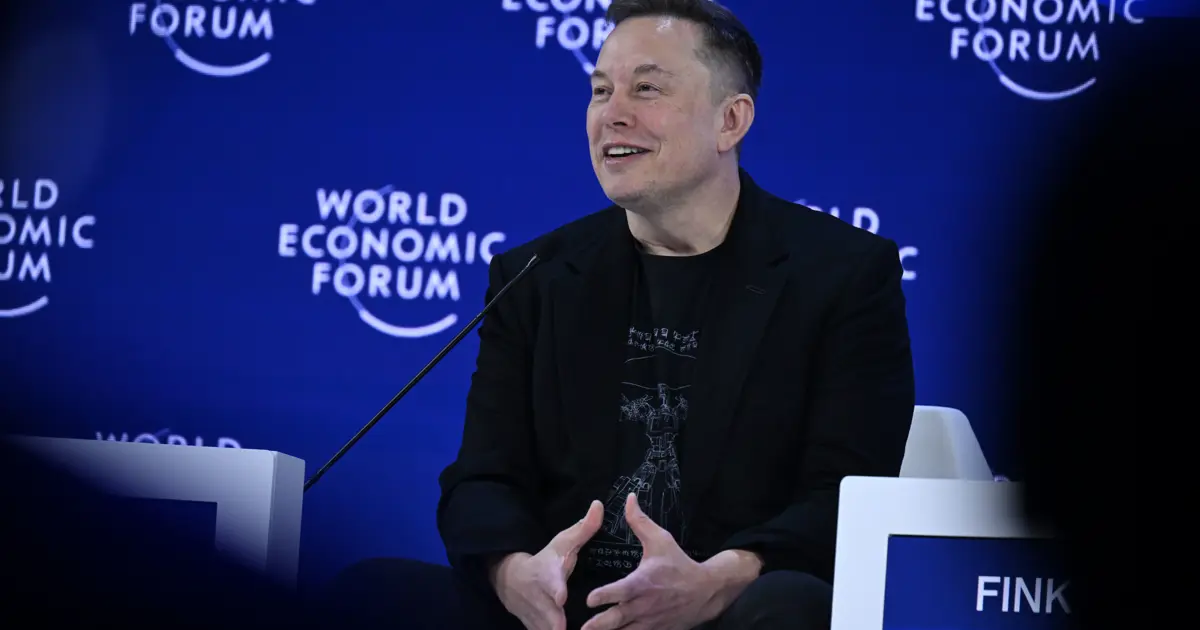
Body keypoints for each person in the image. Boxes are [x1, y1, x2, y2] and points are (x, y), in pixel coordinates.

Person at [330, 1, 915, 628]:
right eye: (601, 91)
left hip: (728, 607)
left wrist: (721, 580)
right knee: (372, 592)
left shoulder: (840, 275)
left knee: (789, 609)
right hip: (563, 611)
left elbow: (847, 495)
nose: (612, 114)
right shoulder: (536, 276)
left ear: (731, 121)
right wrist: (514, 573)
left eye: (647, 89)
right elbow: (482, 478)